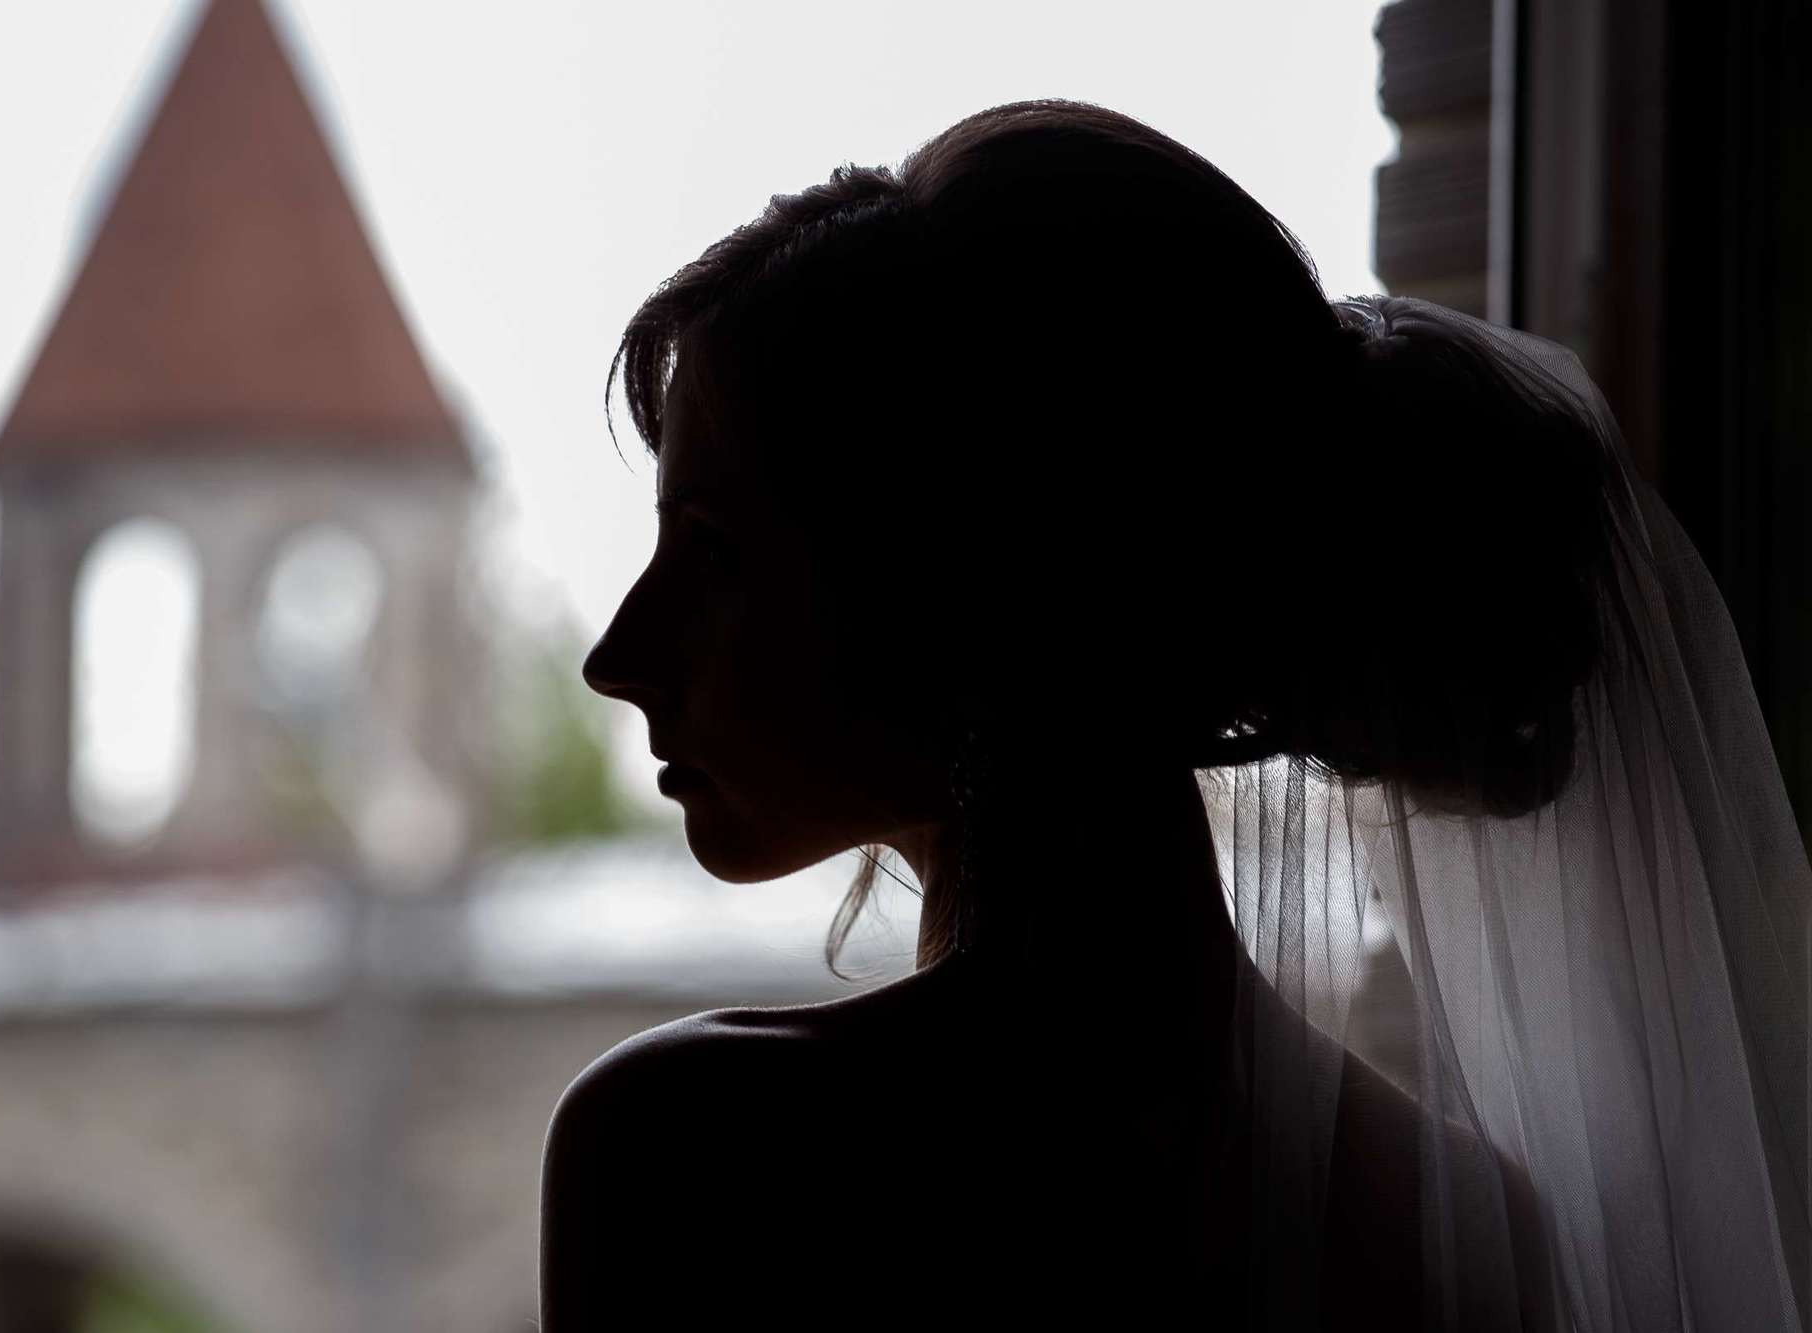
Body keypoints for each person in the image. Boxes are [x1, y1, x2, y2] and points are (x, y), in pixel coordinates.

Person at [543, 98, 1812, 1330]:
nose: (617, 656)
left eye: (709, 553)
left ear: (972, 570)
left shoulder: (697, 1149)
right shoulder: (1462, 1221)